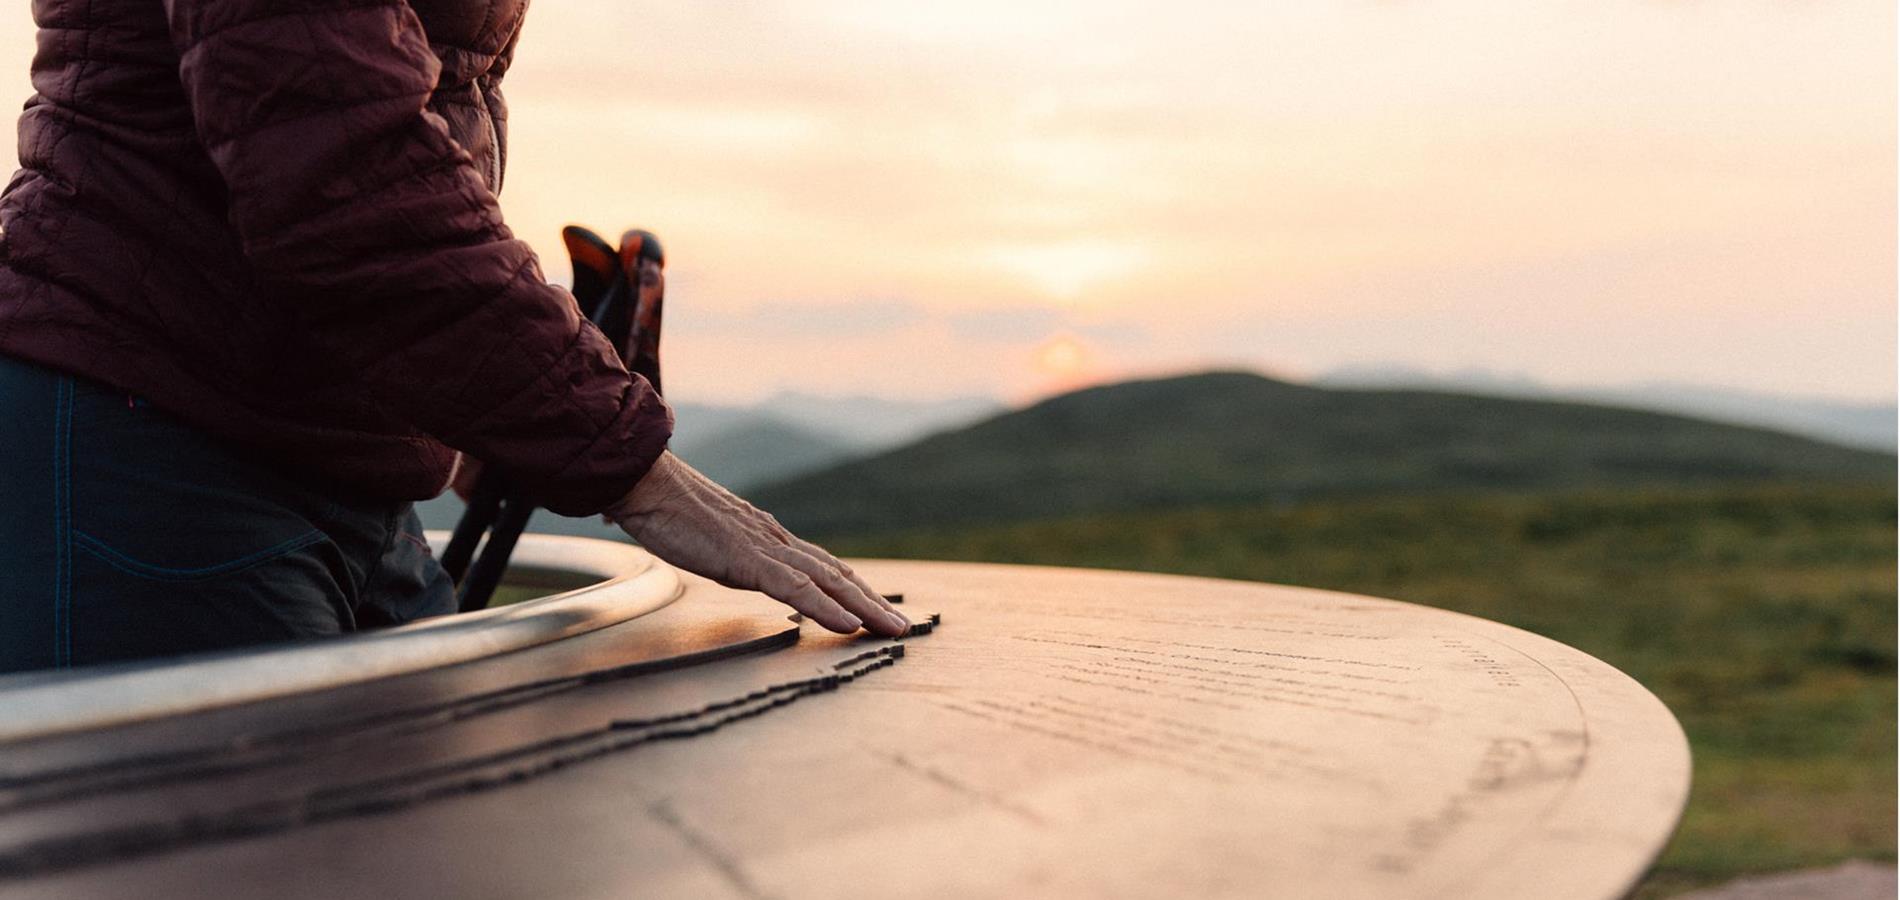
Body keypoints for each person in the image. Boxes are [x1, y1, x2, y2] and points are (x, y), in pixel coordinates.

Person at [0, 0, 907, 674]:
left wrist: (474, 398)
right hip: (151, 455)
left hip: (338, 457)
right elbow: (340, 176)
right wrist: (630, 465)